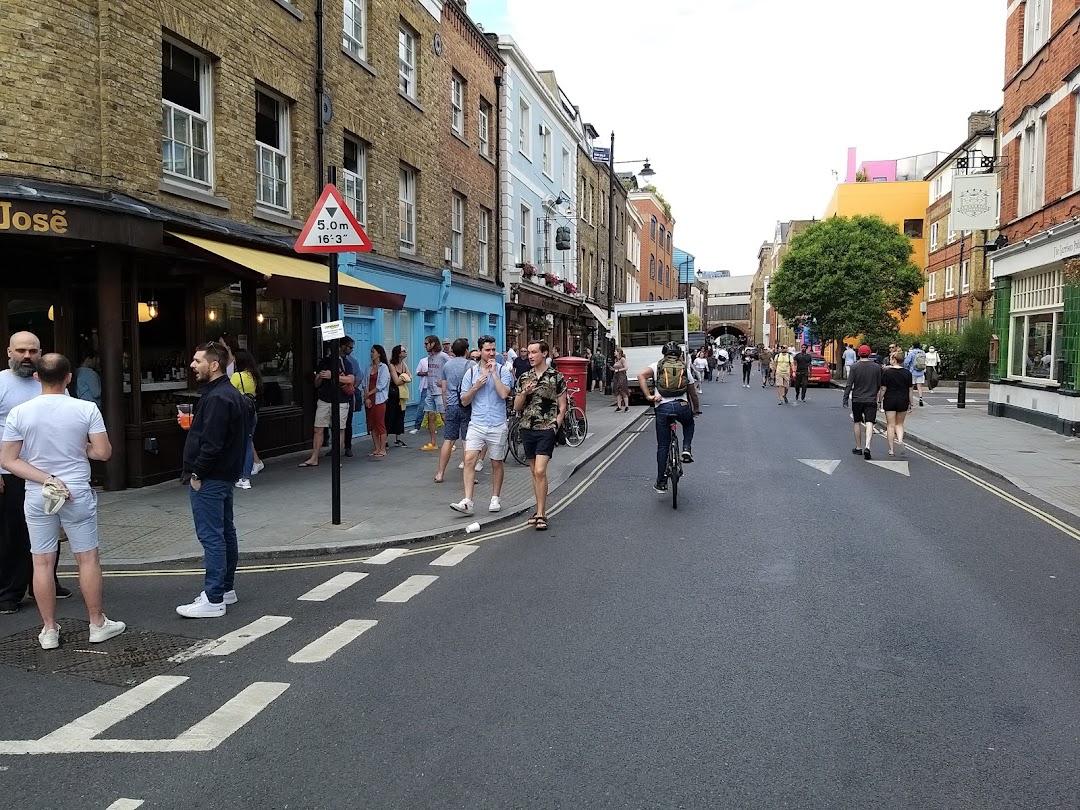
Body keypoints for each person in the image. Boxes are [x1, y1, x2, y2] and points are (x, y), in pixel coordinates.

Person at [0, 353, 124, 649]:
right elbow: (103, 453)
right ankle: (97, 624)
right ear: (69, 378)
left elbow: (8, 460)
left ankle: (49, 631)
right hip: (77, 490)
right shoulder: (86, 409)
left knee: (41, 562)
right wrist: (83, 448)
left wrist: (46, 478)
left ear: (37, 377)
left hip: (38, 492)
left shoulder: (19, 413)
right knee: (87, 558)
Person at [177, 341, 248, 618]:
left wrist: (197, 473)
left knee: (212, 537)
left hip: (211, 477)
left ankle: (214, 598)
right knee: (225, 532)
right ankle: (225, 590)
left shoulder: (219, 398)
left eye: (198, 361)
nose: (193, 365)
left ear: (214, 365)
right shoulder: (225, 393)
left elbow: (213, 443)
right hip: (224, 476)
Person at [0, 332, 69, 615]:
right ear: (9, 352)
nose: (27, 356)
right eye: (21, 351)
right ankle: (8, 592)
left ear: (41, 353)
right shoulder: (1, 382)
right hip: (10, 470)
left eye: (32, 351)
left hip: (47, 471)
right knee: (12, 534)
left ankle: (45, 582)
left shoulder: (51, 383)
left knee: (49, 530)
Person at [451, 336, 514, 516]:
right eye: (488, 350)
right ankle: (468, 502)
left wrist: (493, 374)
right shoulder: (470, 374)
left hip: (497, 423)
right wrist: (476, 387)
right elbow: (464, 401)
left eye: (493, 349)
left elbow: (504, 394)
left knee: (496, 462)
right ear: (480, 352)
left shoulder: (503, 371)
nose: (492, 353)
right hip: (477, 423)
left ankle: (495, 497)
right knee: (469, 459)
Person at [513, 341, 567, 532]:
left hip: (546, 429)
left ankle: (542, 514)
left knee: (540, 470)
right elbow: (516, 407)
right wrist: (524, 394)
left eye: (534, 352)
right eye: (529, 352)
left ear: (544, 353)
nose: (530, 355)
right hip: (527, 427)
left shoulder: (556, 376)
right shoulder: (524, 377)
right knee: (534, 473)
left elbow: (563, 406)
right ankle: (538, 510)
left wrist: (555, 426)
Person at [638, 342, 696, 495]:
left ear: (664, 354)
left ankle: (661, 482)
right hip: (682, 406)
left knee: (663, 446)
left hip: (662, 408)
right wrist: (696, 409)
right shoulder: (684, 368)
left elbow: (641, 375)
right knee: (689, 424)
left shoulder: (657, 366)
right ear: (679, 354)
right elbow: (693, 393)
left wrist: (649, 396)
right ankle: (686, 449)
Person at [300, 337, 356, 467]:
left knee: (339, 429)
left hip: (341, 400)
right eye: (350, 347)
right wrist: (320, 377)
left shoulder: (346, 363)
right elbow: (317, 384)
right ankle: (314, 457)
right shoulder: (324, 362)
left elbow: (351, 380)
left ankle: (337, 458)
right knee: (318, 428)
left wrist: (333, 376)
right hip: (324, 399)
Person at [434, 338, 473, 484]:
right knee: (466, 441)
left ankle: (440, 473)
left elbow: (443, 388)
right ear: (466, 350)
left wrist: (446, 405)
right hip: (467, 405)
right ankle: (469, 475)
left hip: (451, 405)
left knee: (448, 440)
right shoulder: (471, 365)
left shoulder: (447, 366)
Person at [843, 344, 883, 460]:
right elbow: (879, 384)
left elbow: (849, 384)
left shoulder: (855, 367)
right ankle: (868, 446)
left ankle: (858, 447)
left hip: (857, 399)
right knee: (870, 422)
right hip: (871, 399)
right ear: (870, 353)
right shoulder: (876, 367)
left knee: (857, 422)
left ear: (858, 354)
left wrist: (845, 398)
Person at [230, 349, 262, 489]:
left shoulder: (237, 376)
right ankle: (246, 478)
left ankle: (239, 476)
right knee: (248, 443)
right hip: (252, 412)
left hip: (240, 413)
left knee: (238, 445)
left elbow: (229, 393)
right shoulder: (254, 375)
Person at [878, 349, 913, 456]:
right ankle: (900, 440)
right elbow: (910, 390)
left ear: (894, 360)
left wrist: (879, 400)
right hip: (903, 400)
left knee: (890, 425)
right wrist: (911, 403)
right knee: (900, 424)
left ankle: (891, 450)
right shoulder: (907, 373)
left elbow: (883, 388)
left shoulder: (887, 373)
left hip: (890, 400)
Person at [420, 335, 449, 451]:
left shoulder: (443, 356)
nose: (425, 346)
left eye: (427, 344)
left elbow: (451, 367)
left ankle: (450, 441)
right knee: (430, 415)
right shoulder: (429, 358)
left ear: (433, 344)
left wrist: (444, 382)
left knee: (444, 416)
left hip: (440, 392)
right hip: (430, 390)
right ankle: (433, 442)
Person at [387, 345, 410, 447]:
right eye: (404, 351)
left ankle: (398, 438)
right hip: (392, 394)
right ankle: (385, 439)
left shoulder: (404, 364)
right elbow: (395, 381)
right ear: (399, 353)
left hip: (401, 394)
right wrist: (403, 378)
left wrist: (402, 378)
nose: (406, 352)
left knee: (400, 415)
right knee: (389, 415)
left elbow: (410, 377)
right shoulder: (391, 365)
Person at [410, 353, 429, 434]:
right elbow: (417, 372)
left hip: (436, 387)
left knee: (438, 408)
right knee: (421, 407)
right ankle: (417, 427)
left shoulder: (439, 361)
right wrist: (426, 373)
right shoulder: (423, 361)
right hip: (425, 387)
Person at [904, 341, 927, 407]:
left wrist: (906, 368)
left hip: (912, 371)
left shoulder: (911, 353)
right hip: (921, 371)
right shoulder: (923, 352)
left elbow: (906, 362)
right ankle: (920, 398)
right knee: (919, 386)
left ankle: (911, 403)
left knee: (911, 388)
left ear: (913, 345)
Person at [612, 347, 630, 411]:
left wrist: (619, 370)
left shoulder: (622, 359)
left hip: (622, 376)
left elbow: (626, 368)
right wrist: (613, 369)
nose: (614, 352)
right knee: (617, 391)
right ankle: (619, 407)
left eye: (615, 351)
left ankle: (626, 406)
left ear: (618, 352)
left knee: (623, 391)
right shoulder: (616, 360)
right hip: (616, 377)